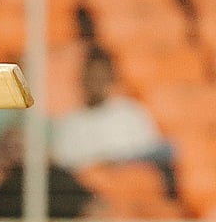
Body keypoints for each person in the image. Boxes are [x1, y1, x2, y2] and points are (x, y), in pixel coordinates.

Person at [50, 44, 176, 196]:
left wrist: (119, 163)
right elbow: (66, 166)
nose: (96, 84)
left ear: (110, 78)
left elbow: (154, 153)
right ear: (82, 79)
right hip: (90, 196)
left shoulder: (131, 112)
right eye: (92, 78)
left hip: (133, 191)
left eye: (100, 78)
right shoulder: (69, 122)